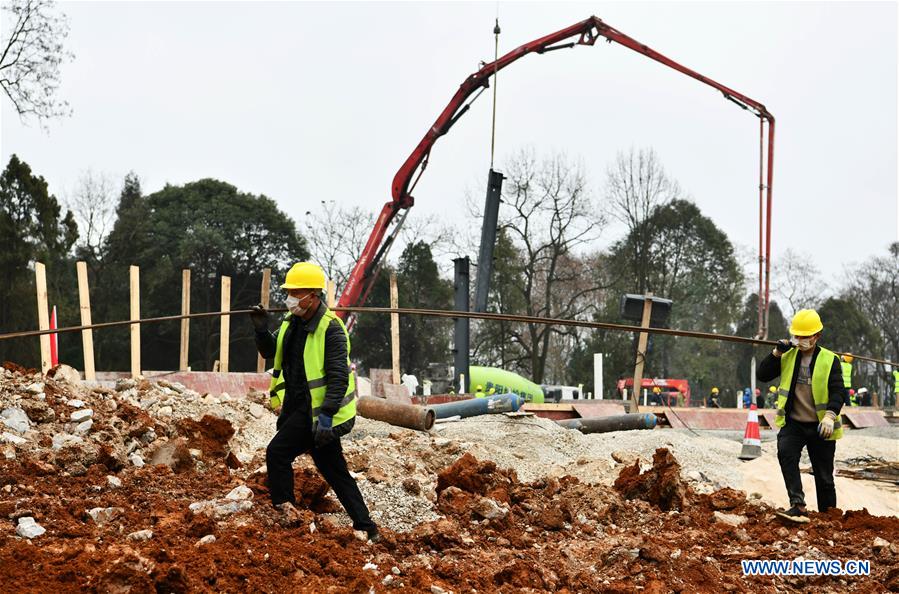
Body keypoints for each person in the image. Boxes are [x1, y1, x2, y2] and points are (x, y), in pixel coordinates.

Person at [250, 262, 379, 542]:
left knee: (277, 453)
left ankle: (287, 516)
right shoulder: (291, 321)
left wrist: (327, 417)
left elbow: (338, 378)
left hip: (317, 412)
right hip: (299, 407)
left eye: (297, 293)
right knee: (335, 470)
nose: (291, 299)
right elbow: (271, 351)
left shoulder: (331, 328)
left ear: (313, 295)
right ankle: (367, 527)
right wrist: (261, 330)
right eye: (290, 292)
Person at [757, 309, 845, 522]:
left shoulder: (829, 359)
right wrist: (776, 354)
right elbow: (763, 375)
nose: (801, 340)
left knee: (824, 477)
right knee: (786, 453)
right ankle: (798, 505)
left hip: (820, 425)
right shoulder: (788, 355)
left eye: (806, 336)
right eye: (798, 336)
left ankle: (828, 517)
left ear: (817, 336)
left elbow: (838, 391)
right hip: (794, 423)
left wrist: (830, 416)